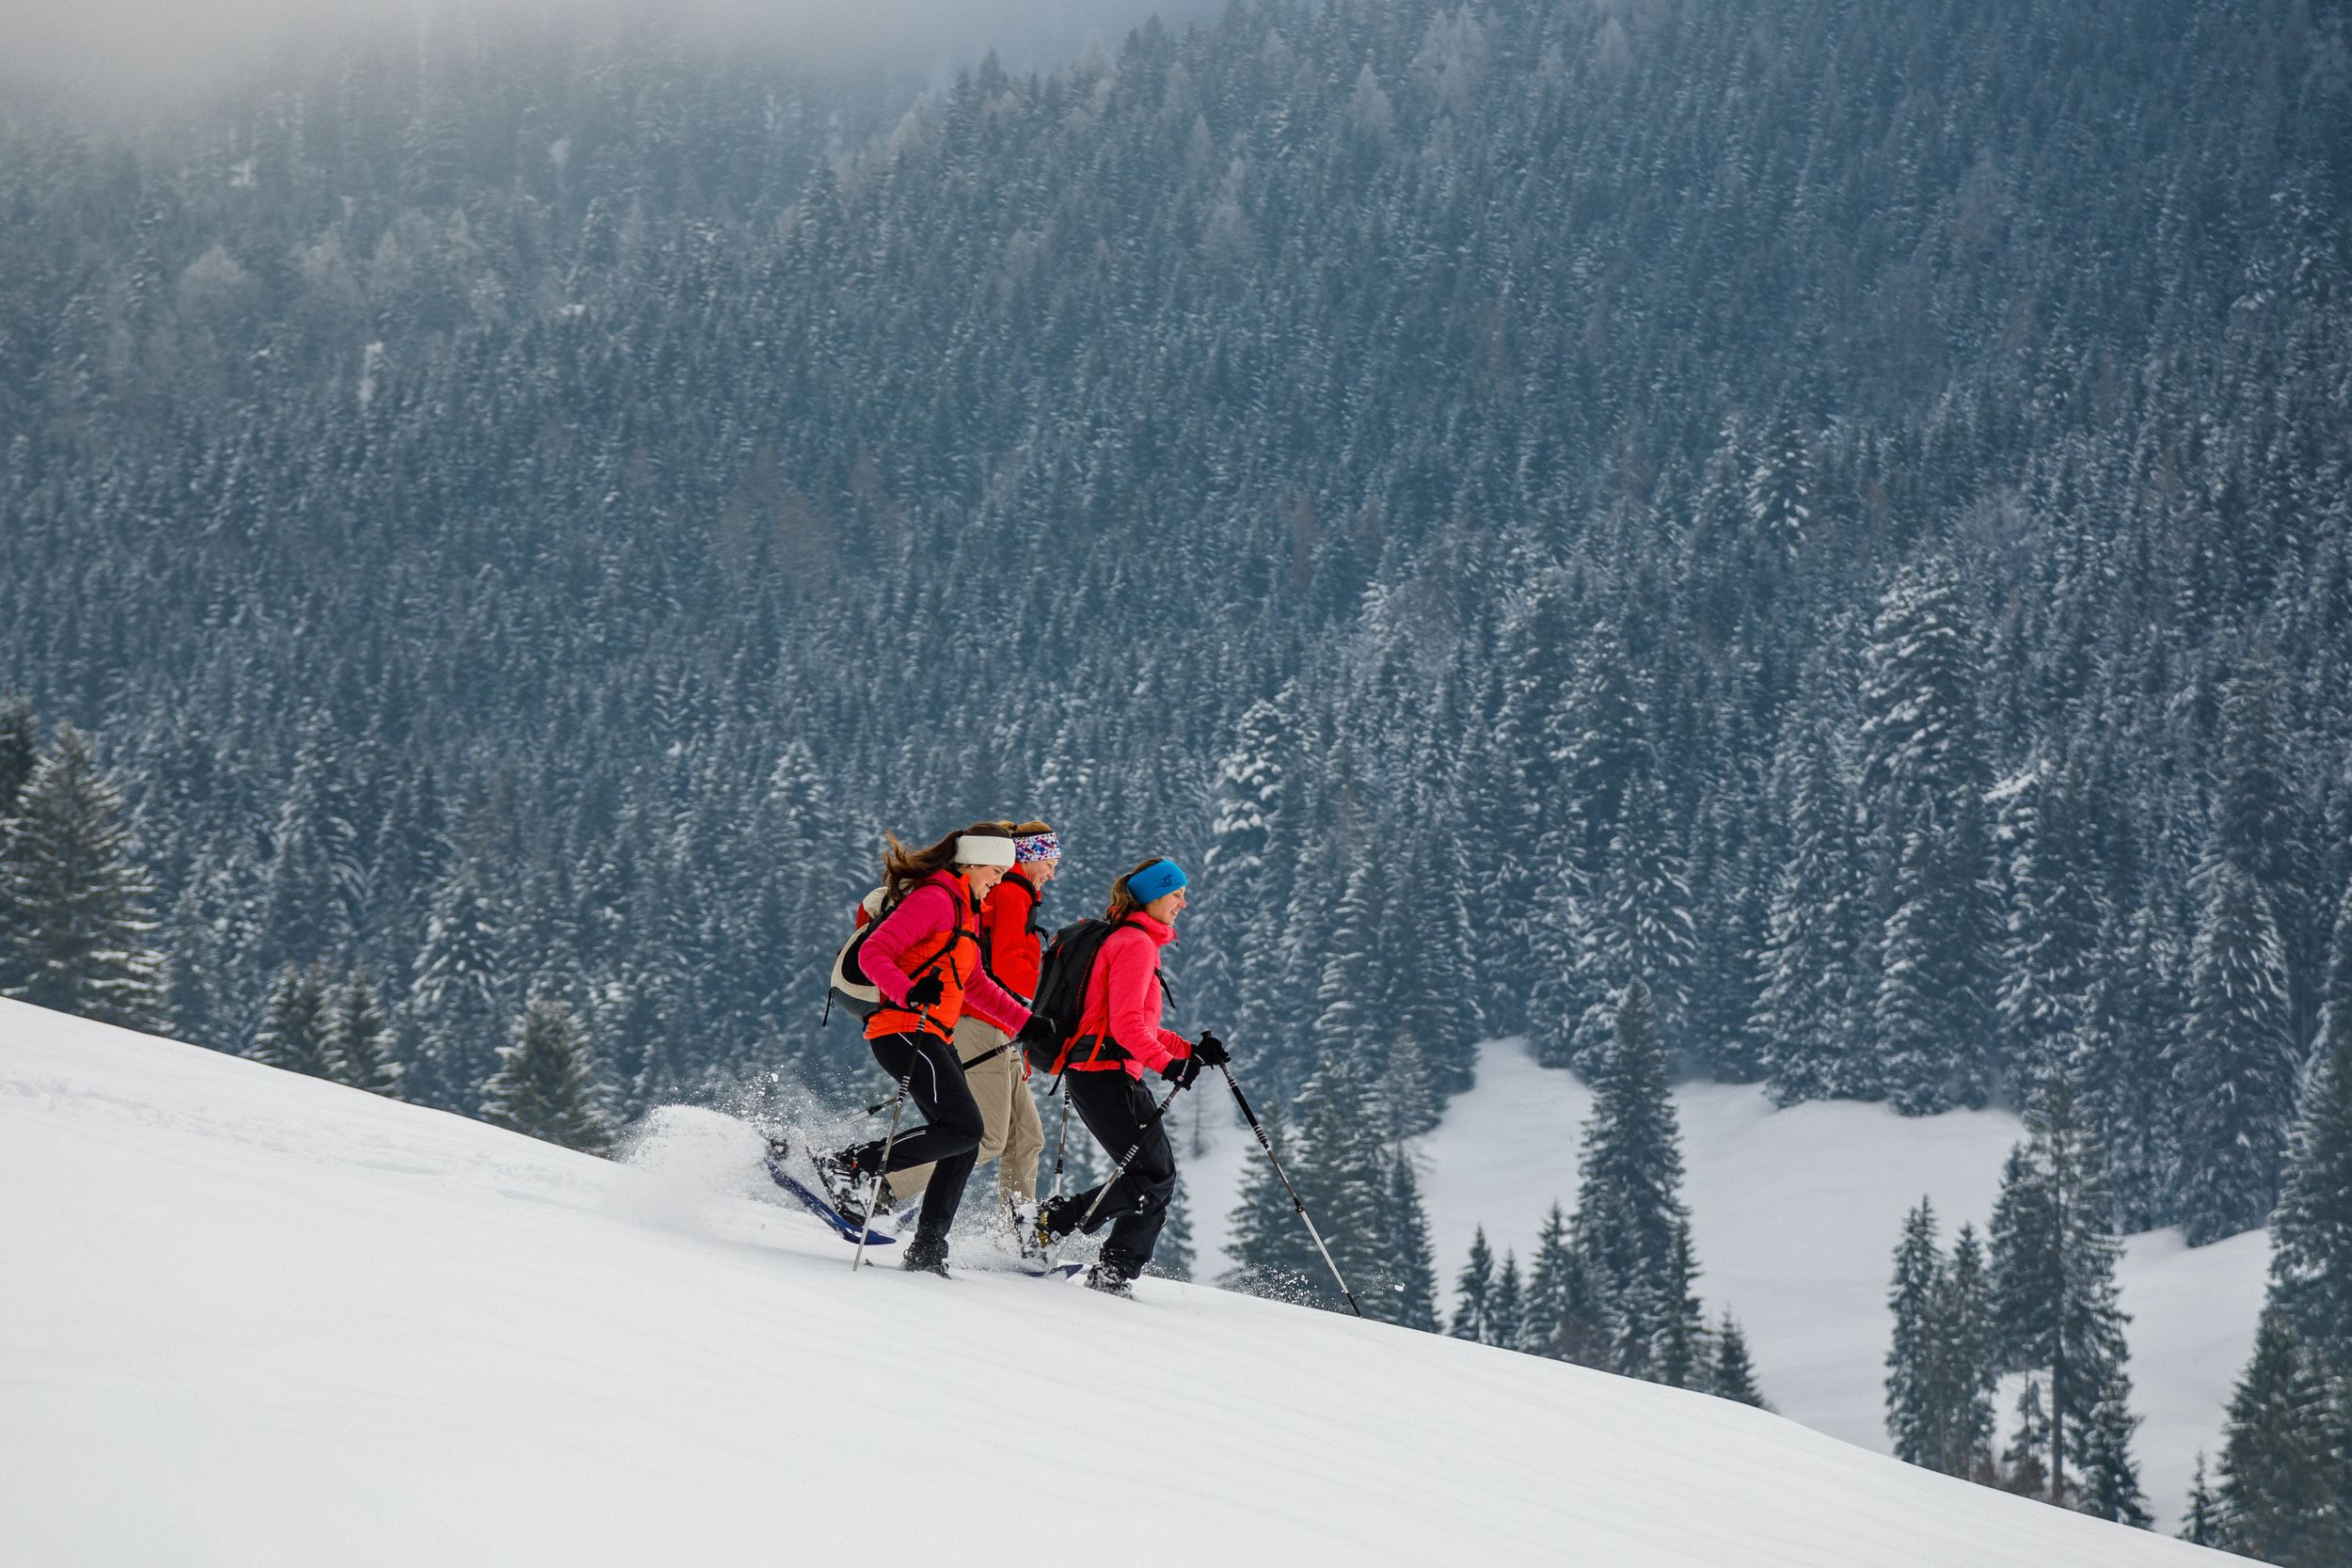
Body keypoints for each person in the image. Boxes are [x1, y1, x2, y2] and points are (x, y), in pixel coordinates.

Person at [808, 823, 1045, 1276]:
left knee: (964, 1142)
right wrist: (909, 991)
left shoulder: (965, 910)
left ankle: (928, 1248)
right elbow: (874, 954)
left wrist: (1027, 1022)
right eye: (996, 872)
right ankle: (852, 1163)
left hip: (933, 1033)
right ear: (972, 863)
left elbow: (975, 983)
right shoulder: (935, 898)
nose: (998, 882)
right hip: (902, 1028)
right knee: (963, 1128)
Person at [1036, 856, 1229, 1296]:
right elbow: (1126, 1027)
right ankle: (1056, 1227)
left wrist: (1189, 1051)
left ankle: (1107, 1264)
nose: (1183, 903)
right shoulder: (1136, 944)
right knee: (1153, 1177)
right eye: (1176, 894)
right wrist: (1169, 1065)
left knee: (1154, 1176)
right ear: (1154, 896)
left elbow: (1135, 1023)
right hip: (1104, 1074)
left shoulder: (1129, 939)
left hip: (1104, 1072)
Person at [883, 820, 1057, 1243]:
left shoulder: (995, 895)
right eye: (1049, 862)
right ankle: (884, 1187)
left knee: (1025, 1137)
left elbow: (980, 973)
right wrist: (1048, 995)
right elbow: (1004, 968)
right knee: (983, 1136)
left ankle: (1019, 1236)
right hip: (975, 1024)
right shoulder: (1010, 894)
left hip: (997, 1024)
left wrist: (1026, 1021)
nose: (1052, 873)